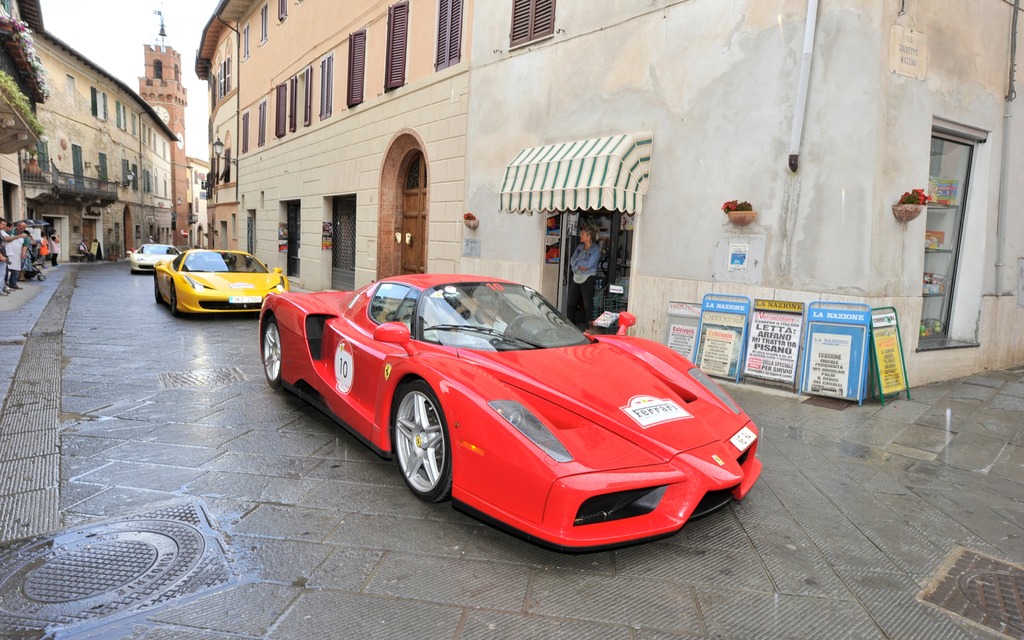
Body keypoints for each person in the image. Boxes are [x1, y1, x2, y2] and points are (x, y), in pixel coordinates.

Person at [566, 222, 601, 330]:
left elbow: (588, 265)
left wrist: (578, 263)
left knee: (587, 304)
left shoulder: (595, 250)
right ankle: (568, 325)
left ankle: (589, 328)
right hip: (577, 276)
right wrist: (579, 265)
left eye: (583, 234)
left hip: (588, 278)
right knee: (571, 303)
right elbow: (572, 261)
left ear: (589, 237)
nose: (580, 236)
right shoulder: (579, 247)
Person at [2, 219, 30, 290]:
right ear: (17, 226)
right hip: (7, 253)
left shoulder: (25, 236)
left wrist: (23, 253)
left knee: (16, 270)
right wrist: (19, 236)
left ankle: (13, 284)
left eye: (23, 227)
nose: (21, 227)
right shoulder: (10, 231)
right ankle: (4, 284)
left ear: (25, 228)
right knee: (6, 270)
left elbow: (25, 245)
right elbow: (7, 239)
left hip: (17, 254)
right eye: (20, 226)